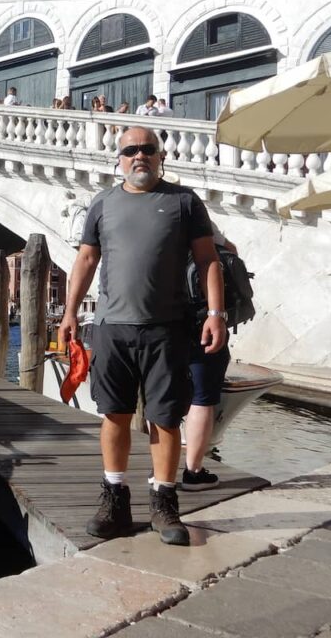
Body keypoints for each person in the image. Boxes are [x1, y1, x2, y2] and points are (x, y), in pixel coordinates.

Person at [58, 126, 226, 546]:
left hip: (167, 329)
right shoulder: (103, 204)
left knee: (165, 418)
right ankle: (114, 499)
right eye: (130, 150)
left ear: (160, 155)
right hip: (112, 328)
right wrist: (69, 313)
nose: (139, 156)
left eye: (147, 149)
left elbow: (208, 260)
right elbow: (85, 260)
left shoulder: (184, 202)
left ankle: (164, 502)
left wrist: (216, 313)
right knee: (114, 414)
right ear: (119, 158)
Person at [181, 227, 237, 490]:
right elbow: (230, 252)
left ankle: (161, 467)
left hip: (159, 319)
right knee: (202, 397)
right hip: (201, 319)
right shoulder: (192, 211)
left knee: (162, 394)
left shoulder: (140, 210)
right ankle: (193, 471)